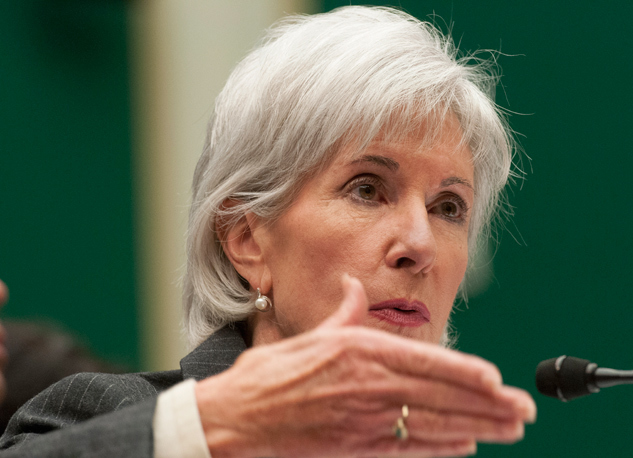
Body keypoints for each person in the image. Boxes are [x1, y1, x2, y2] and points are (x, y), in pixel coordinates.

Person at [0, 6, 536, 457]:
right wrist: (211, 431)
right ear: (246, 241)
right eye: (367, 189)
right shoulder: (97, 419)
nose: (420, 246)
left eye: (448, 207)